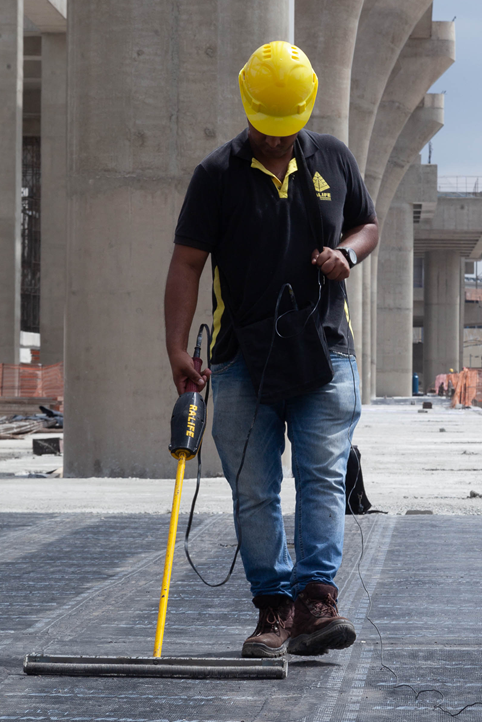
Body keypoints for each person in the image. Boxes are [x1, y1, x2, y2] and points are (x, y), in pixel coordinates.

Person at [164, 41, 378, 658]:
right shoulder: (216, 177)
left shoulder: (333, 158)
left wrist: (349, 255)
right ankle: (274, 609)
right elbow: (186, 265)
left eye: (288, 130)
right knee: (254, 489)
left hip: (325, 351)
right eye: (267, 129)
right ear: (248, 109)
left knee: (321, 478)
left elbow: (367, 223)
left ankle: (316, 601)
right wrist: (177, 348)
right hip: (238, 361)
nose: (278, 141)